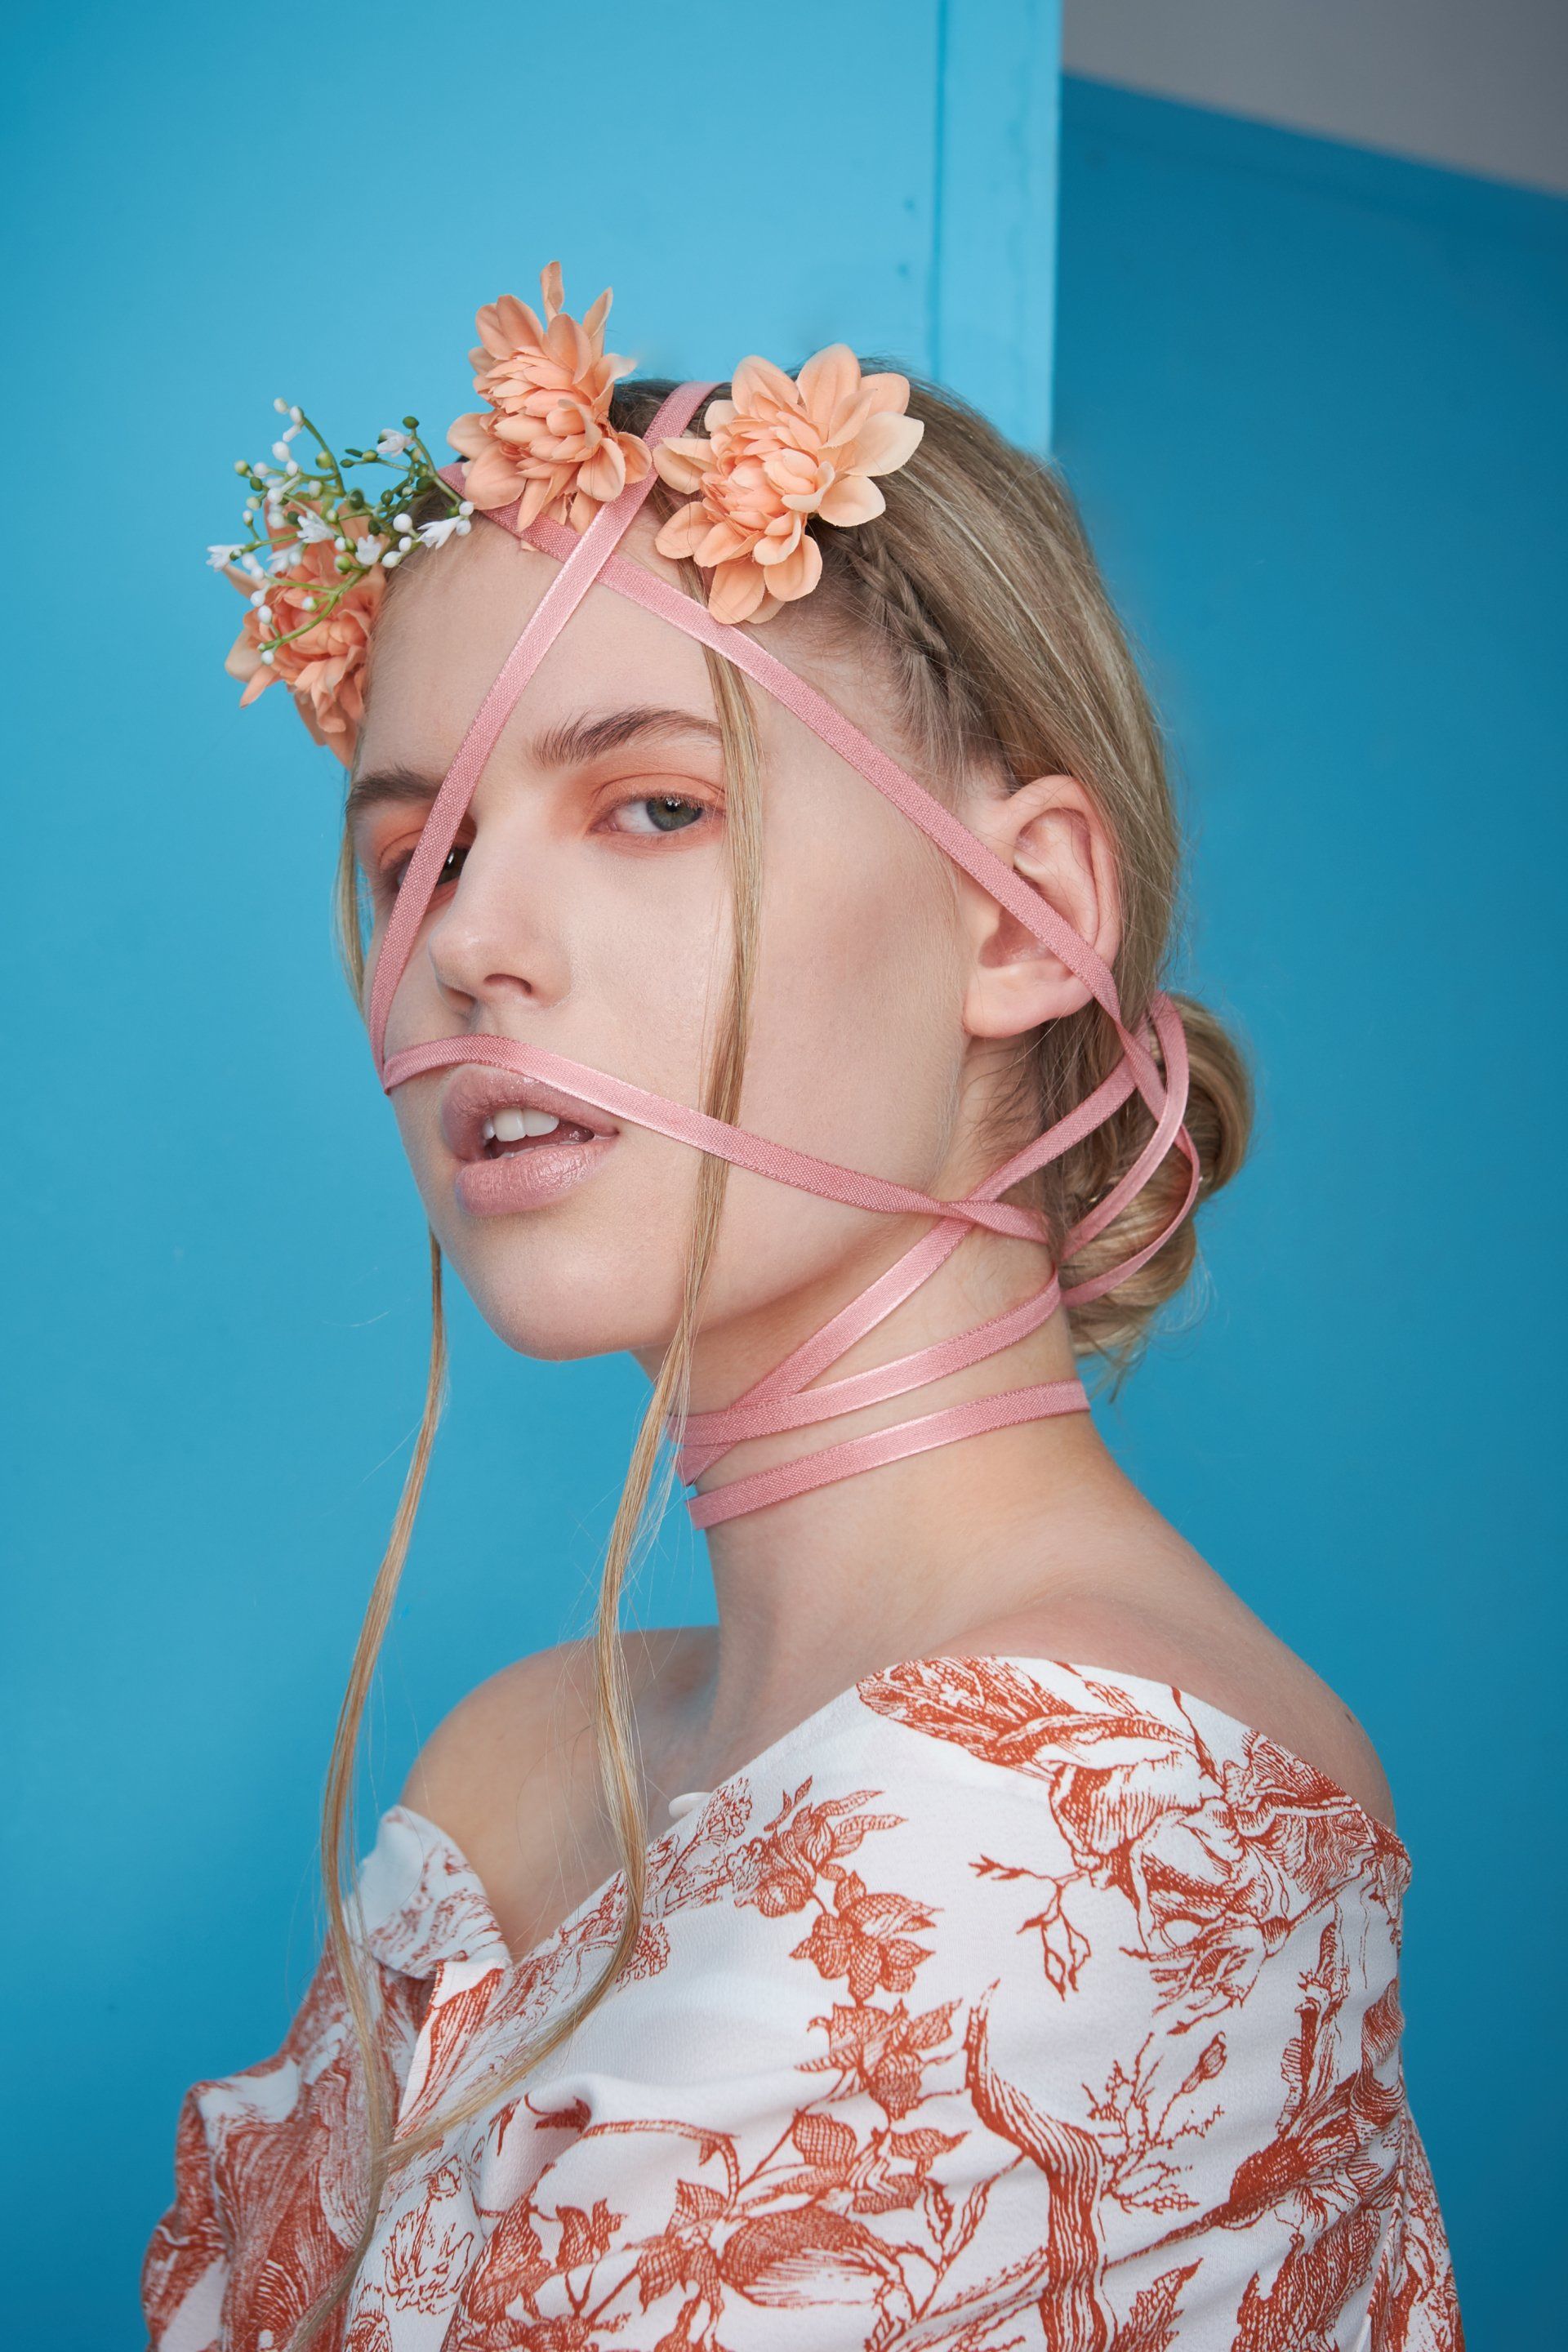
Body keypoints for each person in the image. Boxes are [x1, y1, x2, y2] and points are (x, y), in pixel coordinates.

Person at [145, 267, 1462, 2350]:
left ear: (1024, 915)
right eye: (416, 854)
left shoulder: (1102, 1805)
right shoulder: (515, 1761)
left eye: (655, 806)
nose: (468, 944)